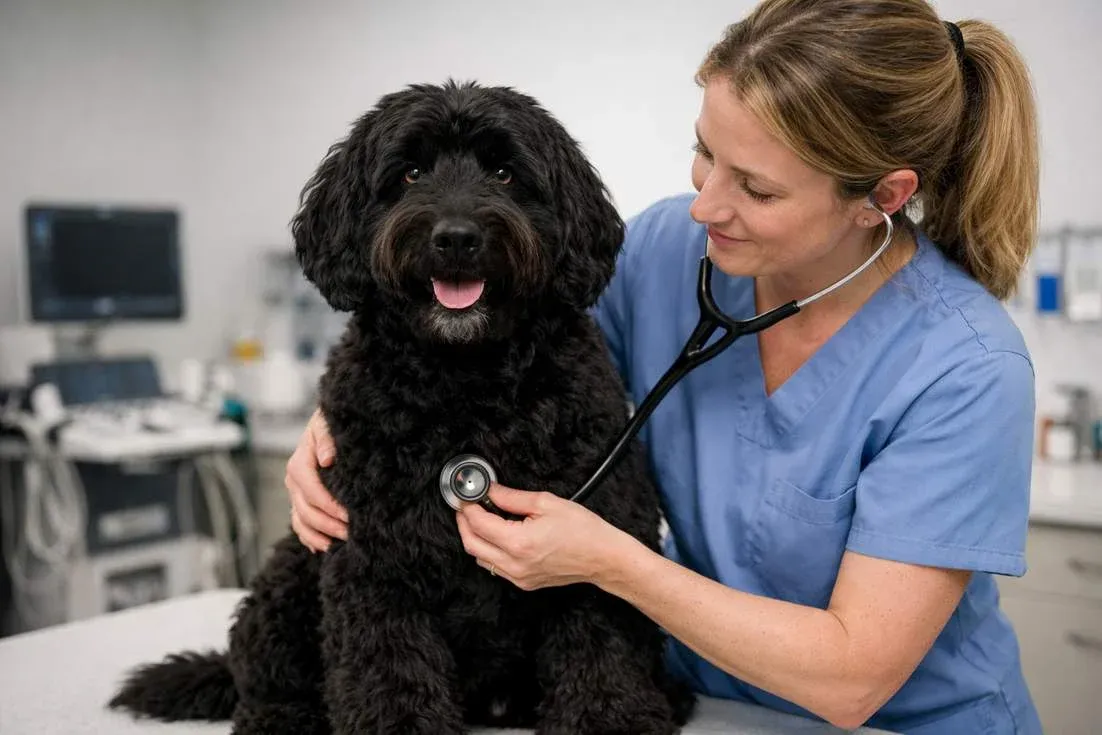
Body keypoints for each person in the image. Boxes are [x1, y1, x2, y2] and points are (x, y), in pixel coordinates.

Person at [283, 1, 1043, 732]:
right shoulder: (668, 256)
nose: (705, 205)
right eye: (706, 153)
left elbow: (852, 677)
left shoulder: (964, 368)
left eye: (756, 186)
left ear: (881, 197)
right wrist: (336, 430)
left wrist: (611, 560)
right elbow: (507, 351)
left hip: (895, 723)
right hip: (712, 700)